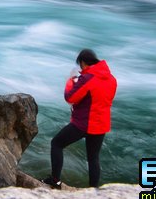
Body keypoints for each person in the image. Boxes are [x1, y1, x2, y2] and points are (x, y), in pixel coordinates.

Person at [42, 48, 117, 188]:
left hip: (84, 123)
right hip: (101, 124)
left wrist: (71, 81)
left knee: (56, 144)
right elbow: (104, 99)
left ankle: (55, 181)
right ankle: (93, 190)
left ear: (83, 62)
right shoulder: (112, 79)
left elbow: (70, 97)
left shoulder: (87, 79)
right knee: (93, 158)